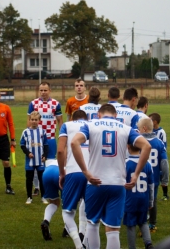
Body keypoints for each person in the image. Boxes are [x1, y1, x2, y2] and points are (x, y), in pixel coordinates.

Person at [71, 104, 151, 249]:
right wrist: (136, 174)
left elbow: (74, 142)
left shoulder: (91, 124)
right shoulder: (125, 128)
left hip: (95, 182)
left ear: (98, 115)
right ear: (115, 116)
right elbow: (147, 146)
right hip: (117, 183)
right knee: (113, 230)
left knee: (93, 224)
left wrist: (85, 171)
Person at [58, 110, 89, 249]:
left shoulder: (66, 125)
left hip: (73, 171)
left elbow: (60, 150)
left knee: (67, 212)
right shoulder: (92, 125)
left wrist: (61, 173)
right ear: (86, 118)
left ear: (72, 118)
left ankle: (78, 245)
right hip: (91, 173)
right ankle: (87, 241)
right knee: (92, 213)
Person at [27, 82, 63, 203]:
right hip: (37, 138)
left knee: (50, 163)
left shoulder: (55, 104)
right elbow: (29, 121)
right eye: (41, 90)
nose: (43, 92)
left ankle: (50, 187)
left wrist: (62, 136)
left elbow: (60, 121)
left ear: (49, 90)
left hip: (51, 138)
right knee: (36, 163)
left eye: (45, 90)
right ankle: (37, 187)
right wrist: (29, 135)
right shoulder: (33, 103)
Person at [137, 118, 169, 233]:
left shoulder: (138, 142)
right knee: (153, 200)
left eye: (139, 128)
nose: (138, 131)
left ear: (144, 128)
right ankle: (152, 225)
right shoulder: (159, 143)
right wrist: (165, 179)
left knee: (142, 200)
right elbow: (164, 163)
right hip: (154, 178)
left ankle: (143, 225)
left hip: (140, 176)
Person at [123, 144, 154, 249]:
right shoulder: (148, 164)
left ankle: (132, 247)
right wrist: (151, 201)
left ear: (128, 147)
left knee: (131, 225)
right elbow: (151, 185)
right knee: (143, 222)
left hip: (130, 199)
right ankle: (148, 243)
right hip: (143, 199)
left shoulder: (125, 164)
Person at [20, 111, 48, 204]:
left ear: (39, 121)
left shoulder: (42, 131)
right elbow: (22, 145)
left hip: (40, 160)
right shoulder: (25, 132)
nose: (34, 121)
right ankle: (29, 197)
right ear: (30, 120)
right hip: (30, 160)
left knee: (42, 178)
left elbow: (46, 145)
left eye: (36, 120)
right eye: (32, 119)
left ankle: (43, 197)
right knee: (29, 178)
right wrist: (28, 153)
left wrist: (45, 155)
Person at [149, 112, 168, 200]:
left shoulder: (161, 132)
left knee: (161, 175)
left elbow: (163, 145)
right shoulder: (150, 130)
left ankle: (165, 194)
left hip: (158, 155)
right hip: (151, 155)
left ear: (155, 122)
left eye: (150, 120)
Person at [40, 158, 61, 240]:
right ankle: (67, 230)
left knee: (54, 202)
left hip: (47, 172)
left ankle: (46, 221)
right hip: (60, 172)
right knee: (67, 205)